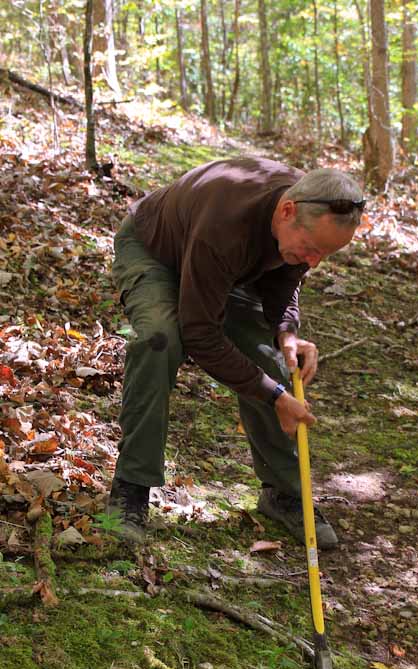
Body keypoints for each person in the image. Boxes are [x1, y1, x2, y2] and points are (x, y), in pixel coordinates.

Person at [107, 156, 365, 547]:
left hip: (224, 268)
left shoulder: (312, 203)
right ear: (286, 211)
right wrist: (274, 396)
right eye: (312, 249)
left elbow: (285, 278)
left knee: (274, 359)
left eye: (324, 255)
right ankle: (131, 487)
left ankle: (282, 493)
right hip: (156, 251)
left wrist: (287, 331)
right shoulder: (226, 224)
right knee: (160, 340)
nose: (314, 262)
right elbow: (200, 334)